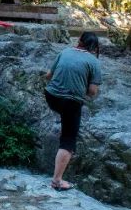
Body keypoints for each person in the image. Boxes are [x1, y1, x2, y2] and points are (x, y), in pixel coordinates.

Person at [44, 32, 103, 191]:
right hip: (70, 102)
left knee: (66, 116)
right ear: (95, 48)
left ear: (79, 41)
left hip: (51, 96)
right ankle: (57, 181)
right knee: (68, 140)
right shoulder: (94, 62)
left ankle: (64, 124)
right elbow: (92, 91)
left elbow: (49, 76)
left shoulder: (65, 52)